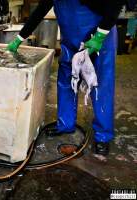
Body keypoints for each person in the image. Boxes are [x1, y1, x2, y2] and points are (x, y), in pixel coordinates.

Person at [8, 0, 125, 156]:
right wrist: (19, 38)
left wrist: (100, 35)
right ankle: (65, 124)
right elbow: (41, 10)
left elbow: (115, 4)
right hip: (70, 38)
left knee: (100, 85)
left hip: (97, 37)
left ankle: (103, 136)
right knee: (66, 81)